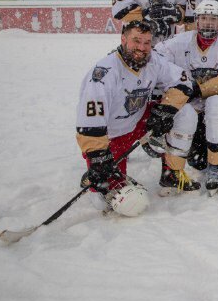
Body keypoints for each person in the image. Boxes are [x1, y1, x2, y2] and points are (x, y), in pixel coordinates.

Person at [76, 20, 197, 215]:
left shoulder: (153, 61)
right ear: (123, 39)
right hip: (110, 139)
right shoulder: (104, 73)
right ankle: (93, 176)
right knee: (117, 203)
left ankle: (172, 173)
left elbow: (183, 81)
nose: (142, 47)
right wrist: (99, 158)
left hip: (138, 123)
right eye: (136, 41)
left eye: (147, 42)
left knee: (186, 112)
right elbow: (89, 123)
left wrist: (166, 109)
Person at [153, 0, 218, 194]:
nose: (208, 23)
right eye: (204, 18)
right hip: (190, 106)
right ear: (196, 20)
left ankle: (216, 168)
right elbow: (155, 60)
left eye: (213, 19)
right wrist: (178, 84)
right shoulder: (178, 42)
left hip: (216, 105)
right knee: (197, 158)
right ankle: (172, 171)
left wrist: (196, 88)